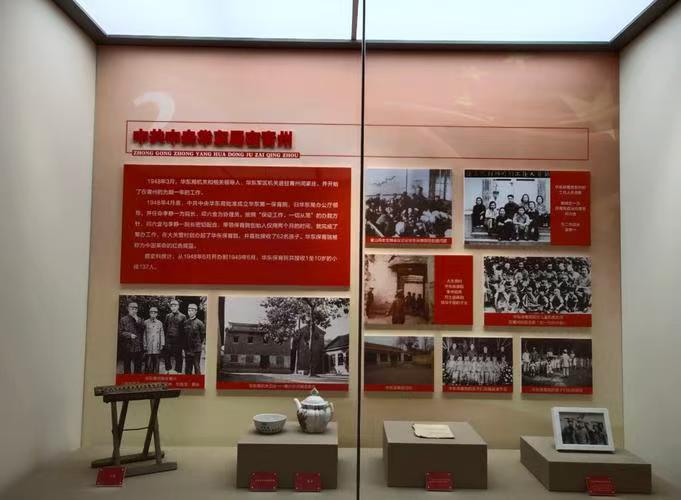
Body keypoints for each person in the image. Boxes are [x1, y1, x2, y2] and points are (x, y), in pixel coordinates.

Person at [118, 302, 144, 374]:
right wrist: (129, 335)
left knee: (138, 366)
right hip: (127, 346)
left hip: (137, 346)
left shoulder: (140, 319)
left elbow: (142, 329)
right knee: (127, 366)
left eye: (136, 309)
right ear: (128, 309)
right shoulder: (123, 319)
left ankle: (137, 379)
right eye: (132, 308)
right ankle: (128, 379)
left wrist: (137, 320)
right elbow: (120, 332)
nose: (134, 310)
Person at [163, 299, 186, 373]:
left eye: (175, 306)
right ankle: (168, 370)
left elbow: (184, 331)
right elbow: (165, 328)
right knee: (166, 355)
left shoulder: (183, 316)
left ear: (178, 306)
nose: (173, 307)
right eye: (172, 306)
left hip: (178, 340)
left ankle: (178, 371)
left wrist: (182, 343)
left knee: (178, 356)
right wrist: (165, 340)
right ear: (170, 307)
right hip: (168, 340)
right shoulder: (168, 316)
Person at [183, 303, 205, 375]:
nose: (190, 312)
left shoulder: (200, 323)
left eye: (192, 310)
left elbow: (202, 335)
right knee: (188, 368)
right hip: (188, 349)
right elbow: (184, 336)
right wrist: (185, 348)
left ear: (196, 311)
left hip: (196, 349)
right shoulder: (185, 323)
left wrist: (198, 344)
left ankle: (197, 381)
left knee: (196, 367)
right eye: (189, 310)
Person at [143, 306, 165, 374]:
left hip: (157, 346)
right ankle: (147, 375)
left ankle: (156, 375)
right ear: (149, 313)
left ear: (157, 314)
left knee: (156, 362)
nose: (153, 314)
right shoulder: (145, 322)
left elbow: (162, 334)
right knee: (148, 362)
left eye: (155, 313)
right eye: (151, 313)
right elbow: (144, 334)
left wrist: (162, 344)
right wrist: (145, 344)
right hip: (149, 345)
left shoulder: (159, 323)